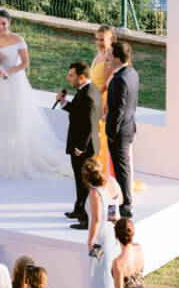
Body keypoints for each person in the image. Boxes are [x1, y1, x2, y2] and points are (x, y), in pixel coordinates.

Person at [0, 10, 68, 179]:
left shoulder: (18, 40)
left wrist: (7, 72)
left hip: (11, 82)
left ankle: (16, 159)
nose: (0, 27)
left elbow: (26, 63)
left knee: (13, 117)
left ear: (9, 23)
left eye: (3, 23)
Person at [55, 60, 102, 224]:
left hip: (84, 148)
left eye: (71, 76)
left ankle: (85, 218)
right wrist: (63, 103)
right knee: (80, 180)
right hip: (84, 145)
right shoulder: (89, 89)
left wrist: (80, 148)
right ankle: (79, 209)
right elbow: (78, 111)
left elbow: (88, 124)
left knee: (84, 182)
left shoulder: (88, 95)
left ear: (81, 77)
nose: (69, 78)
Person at [83, 161, 123, 288]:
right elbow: (119, 201)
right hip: (113, 233)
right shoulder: (112, 182)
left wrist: (90, 241)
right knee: (110, 273)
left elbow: (96, 220)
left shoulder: (95, 193)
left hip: (100, 238)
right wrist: (111, 215)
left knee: (98, 275)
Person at [104, 40, 140, 218]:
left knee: (121, 169)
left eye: (109, 56)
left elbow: (118, 110)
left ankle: (126, 205)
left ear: (117, 59)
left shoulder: (119, 80)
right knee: (122, 167)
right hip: (128, 126)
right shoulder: (132, 73)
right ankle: (122, 202)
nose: (107, 60)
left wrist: (111, 133)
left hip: (119, 132)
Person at [88, 26, 116, 177]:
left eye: (102, 40)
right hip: (94, 99)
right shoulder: (99, 54)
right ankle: (95, 169)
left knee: (102, 137)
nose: (99, 42)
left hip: (103, 101)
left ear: (111, 40)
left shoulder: (109, 58)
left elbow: (109, 84)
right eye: (97, 39)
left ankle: (103, 173)